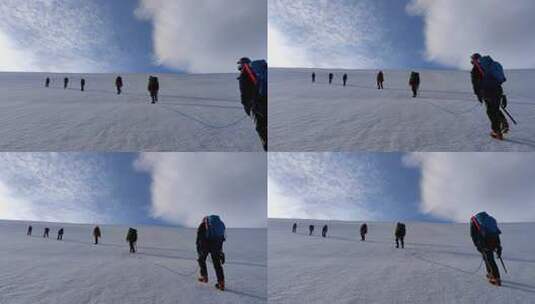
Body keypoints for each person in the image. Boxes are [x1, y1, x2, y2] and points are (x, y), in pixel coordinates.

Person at [471, 53, 509, 140]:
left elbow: (476, 84)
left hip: (487, 92)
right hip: (498, 90)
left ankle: (497, 131)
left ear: (474, 60)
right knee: (495, 109)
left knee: (491, 112)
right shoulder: (490, 64)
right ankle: (503, 121)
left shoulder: (476, 69)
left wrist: (479, 95)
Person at [237, 57, 268, 151]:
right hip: (262, 101)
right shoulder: (253, 72)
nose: (239, 66)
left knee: (260, 126)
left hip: (255, 104)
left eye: (240, 64)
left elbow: (246, 92)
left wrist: (248, 105)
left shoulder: (246, 73)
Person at [470, 212, 503, 286]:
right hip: (493, 241)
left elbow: (473, 235)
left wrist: (478, 246)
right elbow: (496, 232)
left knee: (489, 260)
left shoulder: (474, 221)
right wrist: (498, 246)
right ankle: (490, 274)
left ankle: (496, 278)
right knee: (487, 259)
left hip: (484, 243)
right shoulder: (489, 220)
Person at [197, 215, 226, 291]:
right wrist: (221, 251)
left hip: (206, 245)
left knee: (201, 260)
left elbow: (199, 238)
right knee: (217, 264)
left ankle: (204, 277)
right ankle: (221, 283)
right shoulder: (220, 225)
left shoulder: (203, 225)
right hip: (217, 245)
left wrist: (199, 250)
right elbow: (222, 238)